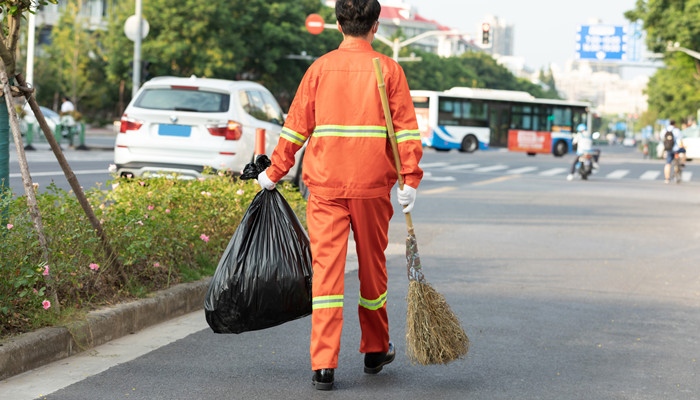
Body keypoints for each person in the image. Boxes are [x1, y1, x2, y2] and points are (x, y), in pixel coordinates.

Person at [256, 0, 423, 391]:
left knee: (327, 274)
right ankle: (375, 350)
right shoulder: (389, 70)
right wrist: (410, 179)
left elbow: (295, 128)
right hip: (371, 189)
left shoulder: (319, 69)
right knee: (372, 270)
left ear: (337, 24)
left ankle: (323, 365)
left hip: (326, 187)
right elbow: (406, 133)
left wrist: (273, 173)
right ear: (376, 25)